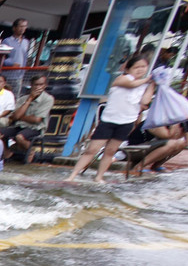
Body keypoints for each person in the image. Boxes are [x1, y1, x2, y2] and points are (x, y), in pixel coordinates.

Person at [66, 54, 156, 183]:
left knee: (110, 151)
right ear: (128, 69)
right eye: (137, 67)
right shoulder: (122, 78)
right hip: (109, 121)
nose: (140, 69)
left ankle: (99, 177)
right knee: (92, 149)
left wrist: (151, 85)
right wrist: (148, 79)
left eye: (143, 67)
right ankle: (73, 175)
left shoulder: (144, 85)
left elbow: (145, 102)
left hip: (127, 122)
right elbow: (130, 84)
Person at [1, 75, 54, 155]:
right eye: (36, 85)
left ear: (45, 85)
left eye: (41, 85)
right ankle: (7, 153)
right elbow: (15, 116)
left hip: (36, 128)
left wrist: (20, 117)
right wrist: (29, 100)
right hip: (19, 125)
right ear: (31, 85)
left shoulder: (48, 99)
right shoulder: (23, 98)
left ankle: (30, 152)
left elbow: (36, 120)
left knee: (19, 137)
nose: (38, 87)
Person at [0, 18, 30, 95]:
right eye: (21, 26)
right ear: (14, 28)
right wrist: (10, 63)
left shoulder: (26, 42)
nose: (23, 28)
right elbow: (0, 57)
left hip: (20, 75)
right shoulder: (7, 41)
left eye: (25, 26)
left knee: (15, 96)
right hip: (7, 75)